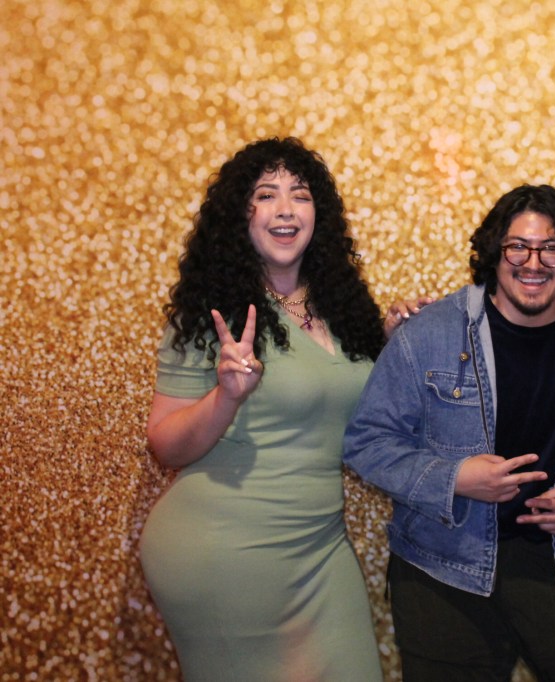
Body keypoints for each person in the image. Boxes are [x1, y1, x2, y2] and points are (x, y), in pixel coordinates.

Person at [343, 184, 555, 681]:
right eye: (517, 247)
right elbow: (367, 441)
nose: (534, 263)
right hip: (443, 571)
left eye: (551, 248)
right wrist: (455, 479)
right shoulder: (429, 333)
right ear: (494, 253)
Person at [140, 137, 388, 681]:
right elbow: (165, 444)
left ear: (318, 214)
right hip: (224, 549)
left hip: (321, 547)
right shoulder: (210, 314)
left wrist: (393, 339)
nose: (285, 209)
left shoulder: (344, 309)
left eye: (300, 195)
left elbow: (350, 403)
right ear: (240, 214)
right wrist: (226, 395)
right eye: (266, 194)